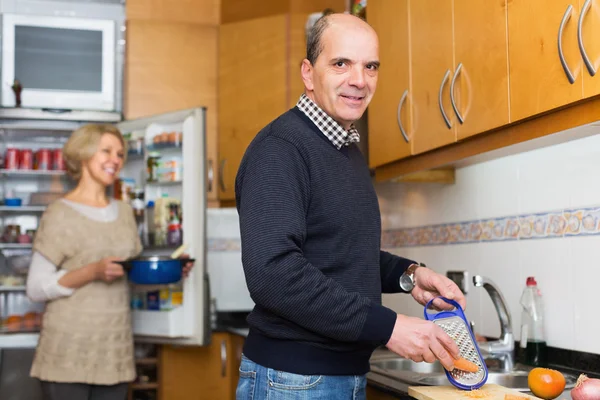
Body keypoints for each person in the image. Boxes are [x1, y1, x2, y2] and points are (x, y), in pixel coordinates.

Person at [234, 13, 467, 400]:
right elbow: (273, 273)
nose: (359, 80)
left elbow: (340, 254)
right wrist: (389, 327)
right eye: (341, 63)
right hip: (293, 380)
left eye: (370, 66)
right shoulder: (280, 148)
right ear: (309, 73)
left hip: (336, 376)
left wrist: (409, 276)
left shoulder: (344, 148)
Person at [25, 124, 193, 400]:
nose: (115, 160)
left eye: (119, 154)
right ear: (83, 154)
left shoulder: (125, 213)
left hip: (115, 351)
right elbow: (35, 288)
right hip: (68, 350)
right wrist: (91, 271)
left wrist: (171, 271)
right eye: (106, 151)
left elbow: (129, 279)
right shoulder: (59, 214)